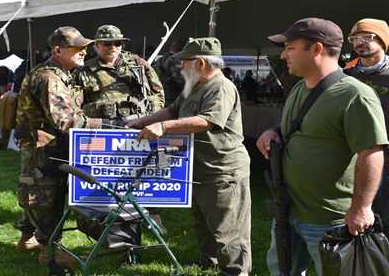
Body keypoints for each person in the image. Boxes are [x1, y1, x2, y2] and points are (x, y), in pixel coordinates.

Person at [256, 18, 388, 276]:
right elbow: (291, 126)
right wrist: (272, 131)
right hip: (288, 211)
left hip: (329, 221)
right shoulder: (298, 89)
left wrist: (361, 208)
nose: (283, 55)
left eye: (290, 48)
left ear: (316, 49)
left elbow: (371, 152)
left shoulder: (354, 94)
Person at [127, 37, 252, 276]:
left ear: (201, 63)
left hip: (222, 169)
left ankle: (236, 271)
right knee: (204, 222)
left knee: (228, 228)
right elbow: (172, 110)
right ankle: (210, 263)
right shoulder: (195, 84)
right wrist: (141, 122)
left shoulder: (221, 87)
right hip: (198, 167)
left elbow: (207, 120)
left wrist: (164, 128)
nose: (181, 66)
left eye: (185, 62)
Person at [16, 26, 105, 268]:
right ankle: (50, 252)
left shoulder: (62, 74)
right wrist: (107, 124)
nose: (84, 52)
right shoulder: (49, 78)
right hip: (43, 149)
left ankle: (32, 240)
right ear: (57, 50)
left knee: (41, 196)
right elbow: (66, 120)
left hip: (49, 147)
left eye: (85, 48)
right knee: (45, 199)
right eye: (77, 48)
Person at [344, 18, 389, 235]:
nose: (360, 42)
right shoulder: (346, 75)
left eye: (367, 37)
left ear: (382, 39)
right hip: (356, 153)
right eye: (355, 39)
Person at [75, 24, 164, 121]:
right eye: (107, 43)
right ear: (97, 45)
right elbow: (75, 107)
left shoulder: (138, 64)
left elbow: (158, 95)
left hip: (139, 123)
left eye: (117, 43)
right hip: (104, 128)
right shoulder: (84, 70)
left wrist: (150, 117)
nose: (113, 47)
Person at [153, 37, 188, 106]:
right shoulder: (175, 61)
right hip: (172, 100)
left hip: (161, 98)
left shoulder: (160, 59)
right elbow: (181, 81)